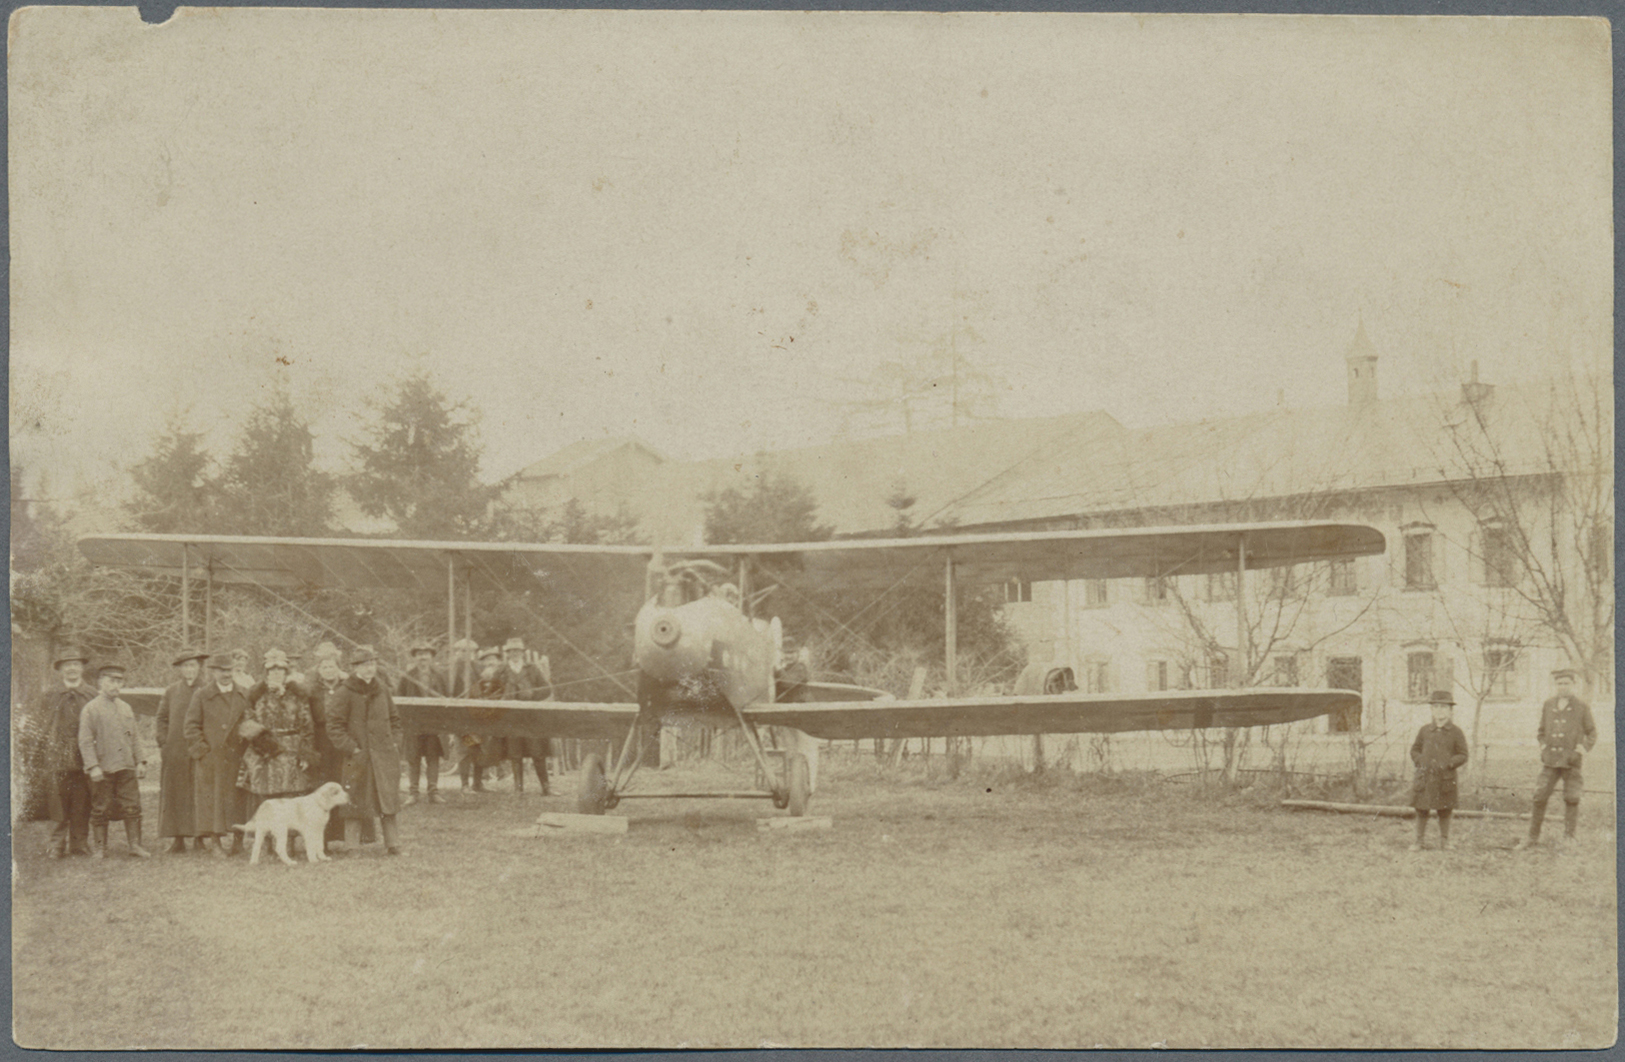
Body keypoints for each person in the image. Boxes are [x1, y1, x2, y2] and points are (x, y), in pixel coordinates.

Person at [329, 645, 404, 855]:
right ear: (355, 668)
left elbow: (395, 720)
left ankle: (393, 844)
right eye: (365, 664)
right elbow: (334, 726)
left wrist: (395, 743)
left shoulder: (382, 690)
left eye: (372, 664)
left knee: (388, 799)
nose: (370, 668)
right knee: (354, 799)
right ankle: (352, 846)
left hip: (384, 755)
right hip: (357, 757)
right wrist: (351, 748)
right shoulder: (345, 692)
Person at [1515, 668, 1598, 850]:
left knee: (1572, 798)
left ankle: (1569, 838)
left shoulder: (1581, 706)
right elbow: (1541, 731)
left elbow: (1592, 732)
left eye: (1566, 683)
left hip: (1571, 761)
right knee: (1539, 797)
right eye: (1559, 683)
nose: (1562, 687)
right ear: (1555, 685)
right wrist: (1544, 746)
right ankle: (1532, 838)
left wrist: (1582, 749)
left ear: (1573, 684)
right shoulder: (1548, 704)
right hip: (1550, 761)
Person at [77, 663, 151, 859]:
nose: (116, 685)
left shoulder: (126, 707)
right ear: (100, 682)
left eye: (119, 681)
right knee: (100, 808)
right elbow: (85, 741)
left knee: (132, 807)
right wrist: (92, 766)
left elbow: (134, 736)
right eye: (111, 681)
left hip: (126, 767)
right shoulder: (90, 709)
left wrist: (141, 761)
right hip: (103, 769)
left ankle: (135, 845)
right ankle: (100, 848)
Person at [237, 649, 316, 823]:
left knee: (291, 797)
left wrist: (305, 753)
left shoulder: (297, 695)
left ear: (286, 672)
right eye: (272, 670)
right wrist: (265, 745)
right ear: (266, 672)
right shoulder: (255, 694)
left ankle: (289, 842)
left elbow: (307, 725)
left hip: (291, 750)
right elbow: (247, 722)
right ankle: (268, 842)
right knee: (265, 797)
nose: (276, 673)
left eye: (280, 670)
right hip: (264, 752)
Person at [184, 653, 250, 857]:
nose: (226, 674)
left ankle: (238, 841)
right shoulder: (202, 695)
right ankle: (215, 842)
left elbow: (251, 721)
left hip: (237, 757)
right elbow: (191, 727)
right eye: (221, 671)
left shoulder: (244, 694)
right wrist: (203, 752)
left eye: (229, 670)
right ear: (213, 672)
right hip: (212, 758)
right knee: (213, 801)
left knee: (238, 799)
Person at [38, 647, 97, 858]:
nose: (72, 669)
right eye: (67, 665)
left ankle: (79, 843)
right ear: (60, 669)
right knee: (57, 799)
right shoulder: (50, 695)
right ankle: (56, 844)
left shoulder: (91, 694)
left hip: (84, 753)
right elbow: (42, 725)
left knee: (82, 799)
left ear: (81, 668)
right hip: (57, 753)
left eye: (75, 664)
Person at [155, 648, 208, 853]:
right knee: (175, 794)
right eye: (185, 666)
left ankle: (199, 839)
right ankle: (177, 839)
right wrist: (164, 742)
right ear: (180, 669)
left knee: (199, 793)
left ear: (199, 667)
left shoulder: (206, 689)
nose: (189, 670)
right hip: (175, 751)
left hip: (198, 750)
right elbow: (161, 718)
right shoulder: (171, 691)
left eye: (193, 665)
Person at [1409, 690, 1469, 851]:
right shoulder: (1424, 731)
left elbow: (1463, 754)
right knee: (1422, 809)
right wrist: (1420, 760)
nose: (1439, 711)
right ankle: (1418, 841)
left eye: (1443, 707)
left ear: (1450, 711)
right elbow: (1414, 749)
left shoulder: (1456, 732)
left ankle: (1445, 841)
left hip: (1445, 778)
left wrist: (1450, 763)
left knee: (1445, 810)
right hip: (1425, 777)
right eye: (1436, 707)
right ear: (1432, 710)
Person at [397, 641, 451, 805]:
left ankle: (433, 792)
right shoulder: (407, 677)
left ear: (431, 657)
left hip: (434, 724)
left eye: (426, 654)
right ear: (415, 657)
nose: (423, 657)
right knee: (413, 758)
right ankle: (413, 793)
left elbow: (447, 699)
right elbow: (399, 699)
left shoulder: (440, 676)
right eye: (419, 654)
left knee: (433, 757)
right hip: (414, 724)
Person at [501, 637, 554, 796]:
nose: (515, 653)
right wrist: (504, 695)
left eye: (517, 650)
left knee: (537, 752)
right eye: (511, 651)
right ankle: (518, 788)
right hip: (510, 717)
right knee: (515, 753)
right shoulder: (502, 671)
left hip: (531, 716)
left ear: (522, 653)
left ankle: (546, 787)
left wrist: (532, 694)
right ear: (507, 653)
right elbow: (490, 692)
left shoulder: (532, 669)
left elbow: (547, 689)